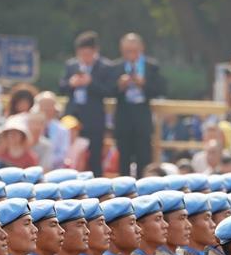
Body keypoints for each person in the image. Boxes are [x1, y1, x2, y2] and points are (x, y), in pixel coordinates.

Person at [59, 31, 113, 177]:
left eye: (88, 54)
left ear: (95, 51)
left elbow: (109, 91)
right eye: (81, 54)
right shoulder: (71, 65)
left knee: (94, 157)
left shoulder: (105, 67)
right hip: (73, 117)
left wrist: (90, 83)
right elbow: (61, 88)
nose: (84, 57)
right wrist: (71, 84)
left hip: (94, 118)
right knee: (70, 155)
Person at [113, 33, 167, 177]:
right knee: (123, 161)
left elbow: (161, 89)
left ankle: (143, 188)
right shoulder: (116, 66)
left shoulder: (151, 66)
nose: (131, 54)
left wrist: (144, 84)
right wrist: (120, 85)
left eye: (134, 51)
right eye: (127, 51)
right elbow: (107, 90)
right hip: (123, 118)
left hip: (143, 117)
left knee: (144, 159)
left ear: (141, 48)